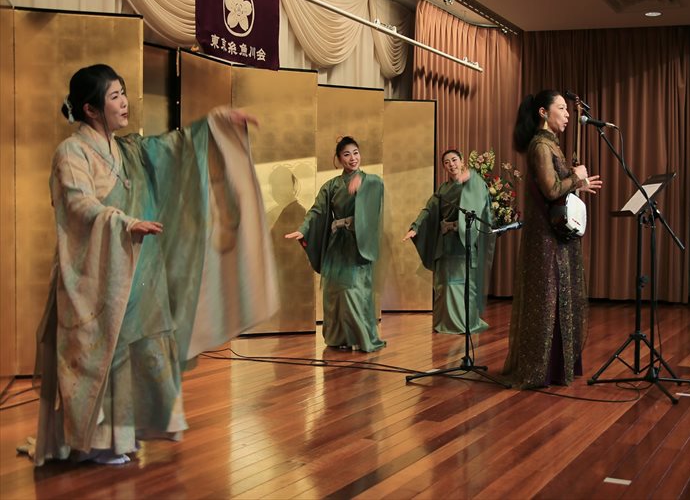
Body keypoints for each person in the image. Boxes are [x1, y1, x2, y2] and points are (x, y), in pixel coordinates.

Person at [27, 64, 278, 466]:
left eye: (123, 92)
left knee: (129, 355)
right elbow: (78, 203)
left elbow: (175, 148)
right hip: (96, 275)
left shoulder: (128, 149)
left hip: (136, 268)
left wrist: (217, 124)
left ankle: (122, 436)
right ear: (90, 109)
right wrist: (124, 223)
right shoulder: (70, 153)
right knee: (100, 356)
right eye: (114, 96)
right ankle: (92, 442)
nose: (124, 102)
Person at [502, 90, 602, 388]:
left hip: (556, 234)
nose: (568, 114)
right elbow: (550, 189)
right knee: (547, 299)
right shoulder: (540, 145)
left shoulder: (552, 145)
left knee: (559, 296)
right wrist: (577, 179)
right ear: (544, 113)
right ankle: (540, 369)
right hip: (545, 235)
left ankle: (556, 368)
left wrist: (575, 183)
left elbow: (558, 187)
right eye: (562, 108)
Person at [285, 136, 386, 352]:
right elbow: (317, 211)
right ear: (338, 159)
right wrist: (303, 229)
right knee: (334, 293)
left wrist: (364, 184)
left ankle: (362, 337)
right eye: (347, 154)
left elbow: (377, 186)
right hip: (337, 246)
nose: (353, 158)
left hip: (358, 246)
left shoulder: (371, 180)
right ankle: (339, 337)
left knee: (355, 292)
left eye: (356, 153)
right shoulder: (331, 186)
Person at [403, 149, 494, 334]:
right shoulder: (442, 190)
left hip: (463, 243)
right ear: (444, 167)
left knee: (464, 285)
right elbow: (428, 209)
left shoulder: (473, 183)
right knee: (444, 285)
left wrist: (473, 178)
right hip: (445, 245)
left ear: (462, 161)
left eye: (454, 160)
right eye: (446, 162)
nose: (451, 164)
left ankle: (466, 323)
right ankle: (445, 323)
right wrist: (415, 227)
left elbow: (483, 198)